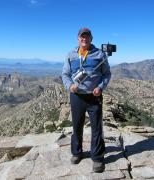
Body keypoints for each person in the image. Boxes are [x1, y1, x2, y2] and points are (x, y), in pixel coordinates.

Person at [62, 28, 111, 173]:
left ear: (91, 38)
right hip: (77, 97)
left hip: (94, 97)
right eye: (82, 37)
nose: (84, 39)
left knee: (96, 128)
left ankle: (97, 158)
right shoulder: (70, 54)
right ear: (78, 38)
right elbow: (65, 74)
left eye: (87, 36)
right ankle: (77, 153)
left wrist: (101, 87)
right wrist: (69, 85)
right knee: (77, 126)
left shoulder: (99, 54)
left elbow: (106, 74)